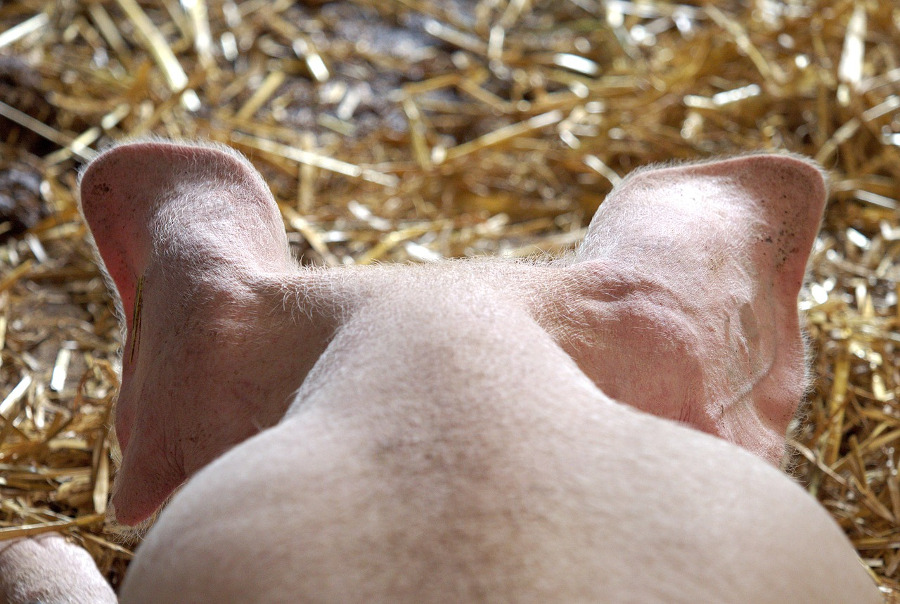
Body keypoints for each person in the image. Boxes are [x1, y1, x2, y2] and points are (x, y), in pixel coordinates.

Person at [35, 141, 879, 602]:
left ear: (184, 358)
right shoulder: (736, 512)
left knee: (35, 569)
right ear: (704, 342)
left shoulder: (234, 513)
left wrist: (39, 574)